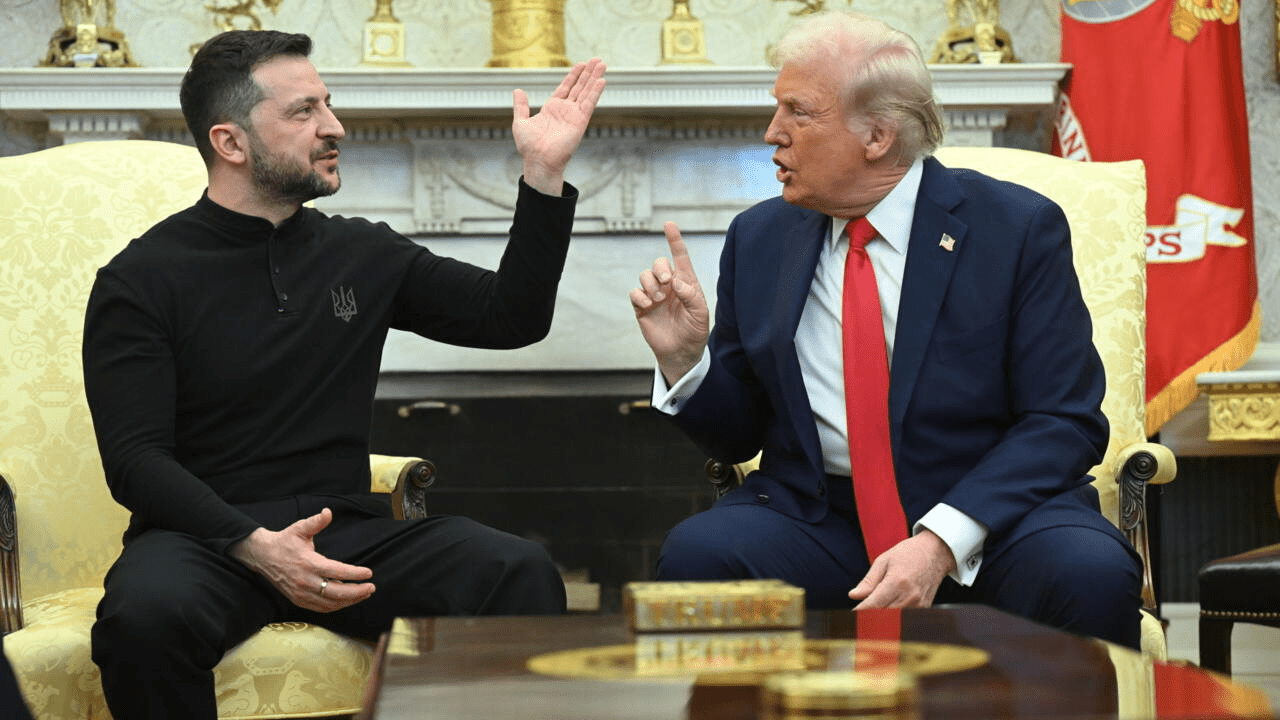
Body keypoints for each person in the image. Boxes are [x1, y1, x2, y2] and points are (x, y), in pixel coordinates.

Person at [82, 30, 605, 718]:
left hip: (345, 534)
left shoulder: (361, 252)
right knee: (141, 618)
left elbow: (511, 318)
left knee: (517, 571)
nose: (335, 127)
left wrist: (542, 176)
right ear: (231, 142)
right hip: (204, 542)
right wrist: (255, 545)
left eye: (327, 104)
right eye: (303, 112)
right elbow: (134, 461)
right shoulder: (139, 278)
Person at [629, 10, 1142, 649]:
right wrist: (686, 362)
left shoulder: (1015, 229)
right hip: (823, 519)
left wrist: (939, 542)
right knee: (701, 556)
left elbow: (1065, 421)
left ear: (877, 134)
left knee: (1087, 573)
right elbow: (737, 435)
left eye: (797, 111)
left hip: (998, 517)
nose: (772, 134)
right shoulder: (761, 239)